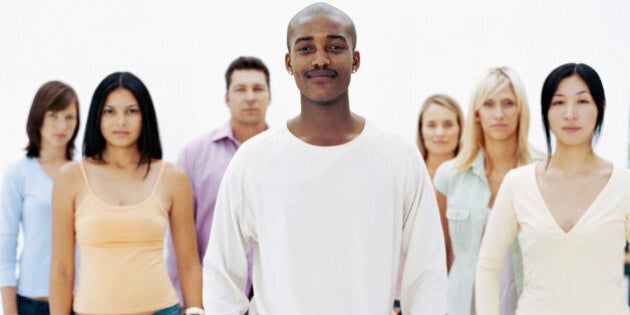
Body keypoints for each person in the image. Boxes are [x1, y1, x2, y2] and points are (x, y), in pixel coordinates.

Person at [202, 3, 446, 314]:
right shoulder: (253, 160)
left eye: (334, 46)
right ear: (289, 62)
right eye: (306, 48)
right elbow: (222, 274)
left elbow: (427, 274)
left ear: (355, 59)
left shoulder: (398, 157)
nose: (320, 59)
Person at [476, 63, 630, 314]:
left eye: (582, 101)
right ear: (545, 111)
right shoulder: (518, 183)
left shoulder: (624, 185)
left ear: (601, 108)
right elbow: (487, 266)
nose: (570, 114)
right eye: (558, 102)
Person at [49, 72, 203, 315]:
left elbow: (188, 263)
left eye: (131, 111)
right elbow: (61, 268)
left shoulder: (172, 177)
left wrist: (196, 310)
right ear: (96, 116)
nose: (120, 121)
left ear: (145, 116)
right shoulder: (70, 177)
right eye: (109, 111)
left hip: (160, 310)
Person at [165, 56, 270, 302]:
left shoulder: (286, 155)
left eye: (258, 89)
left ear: (269, 96)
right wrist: (188, 302)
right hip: (213, 296)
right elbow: (179, 238)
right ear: (227, 98)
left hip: (272, 297)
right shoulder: (194, 155)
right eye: (240, 89)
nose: (250, 97)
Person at [434, 67, 537, 315]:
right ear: (477, 113)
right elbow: (439, 255)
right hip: (462, 306)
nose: (499, 114)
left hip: (526, 305)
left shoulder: (542, 173)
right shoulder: (450, 176)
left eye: (508, 103)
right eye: (489, 104)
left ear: (520, 109)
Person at [0, 81, 79, 315]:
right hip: (32, 303)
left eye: (69, 117)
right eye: (53, 115)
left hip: (80, 301)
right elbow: (5, 248)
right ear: (38, 118)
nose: (61, 125)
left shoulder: (84, 173)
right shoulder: (18, 174)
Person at [394, 94, 464, 314]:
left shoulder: (472, 179)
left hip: (462, 294)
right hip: (411, 299)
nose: (440, 132)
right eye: (432, 125)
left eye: (448, 124)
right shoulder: (409, 177)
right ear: (421, 130)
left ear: (461, 129)